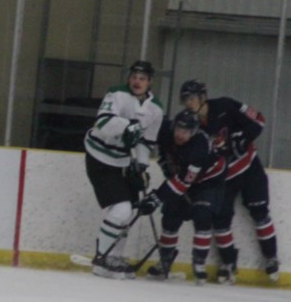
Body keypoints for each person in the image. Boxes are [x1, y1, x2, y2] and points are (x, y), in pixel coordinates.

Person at [178, 80, 280, 282]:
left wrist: (244, 138)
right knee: (221, 220)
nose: (188, 103)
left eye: (191, 98)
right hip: (224, 176)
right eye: (185, 99)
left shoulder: (225, 105)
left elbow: (259, 120)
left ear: (202, 97)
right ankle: (229, 263)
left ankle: (271, 257)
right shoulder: (191, 125)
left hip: (249, 167)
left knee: (260, 212)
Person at [83, 60, 164, 279]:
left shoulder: (156, 108)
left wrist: (141, 165)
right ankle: (102, 260)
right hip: (99, 156)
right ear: (129, 78)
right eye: (135, 77)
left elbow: (146, 141)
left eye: (143, 78)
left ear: (150, 82)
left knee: (129, 211)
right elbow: (103, 122)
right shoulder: (116, 94)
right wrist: (128, 125)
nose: (138, 81)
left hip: (122, 161)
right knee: (121, 209)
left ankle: (114, 257)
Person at [140, 109, 229, 285]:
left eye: (186, 132)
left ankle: (199, 263)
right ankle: (165, 260)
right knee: (170, 217)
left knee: (202, 215)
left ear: (194, 132)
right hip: (185, 176)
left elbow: (182, 184)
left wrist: (155, 198)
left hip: (209, 181)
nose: (180, 135)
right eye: (179, 129)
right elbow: (149, 142)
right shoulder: (165, 131)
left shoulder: (199, 147)